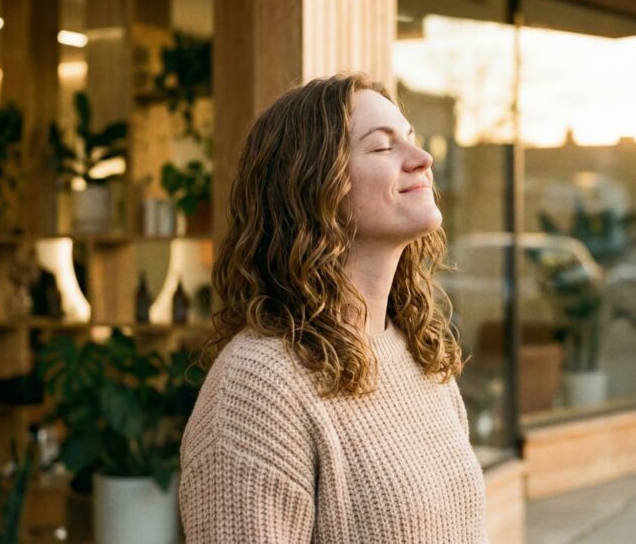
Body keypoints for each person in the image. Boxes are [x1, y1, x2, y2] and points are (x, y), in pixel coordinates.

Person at [179, 74, 487, 543]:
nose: (423, 160)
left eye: (412, 141)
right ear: (312, 186)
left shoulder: (416, 351)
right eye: (383, 148)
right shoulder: (260, 386)